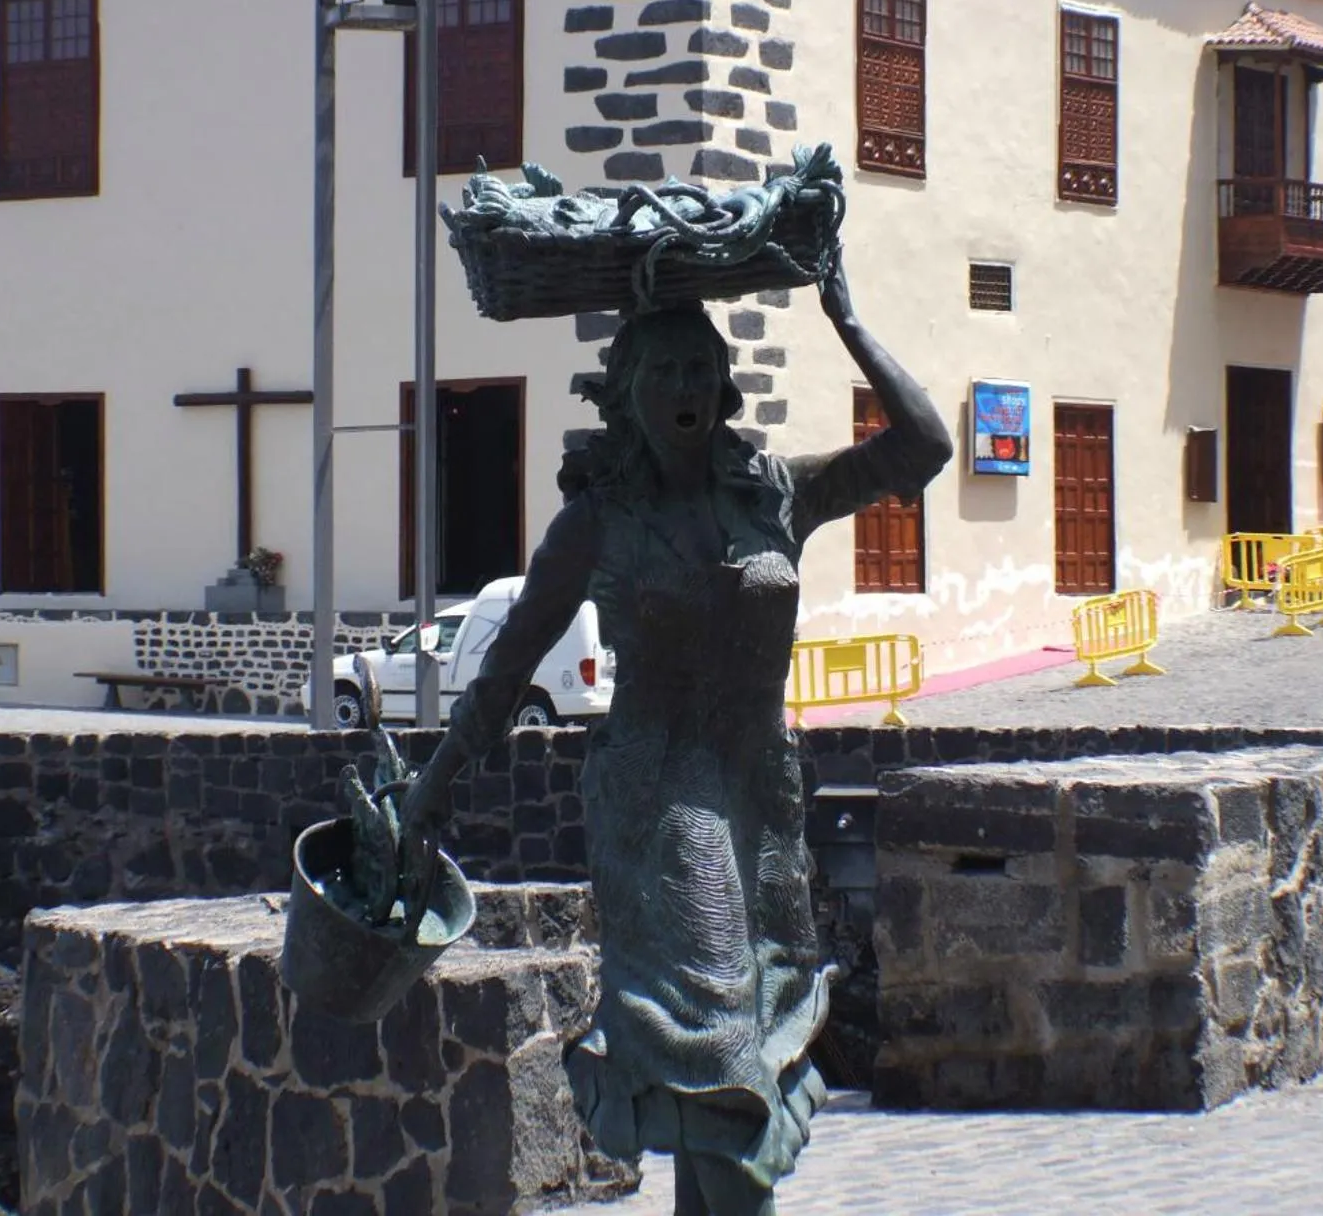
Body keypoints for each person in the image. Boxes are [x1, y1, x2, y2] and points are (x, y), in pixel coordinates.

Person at [397, 258, 951, 1216]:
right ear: (627, 399)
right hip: (661, 802)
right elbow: (506, 667)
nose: (689, 388)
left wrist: (847, 319)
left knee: (743, 1052)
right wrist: (430, 786)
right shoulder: (598, 525)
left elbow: (924, 446)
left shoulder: (775, 493)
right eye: (665, 373)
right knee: (721, 1042)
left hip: (761, 801)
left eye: (702, 368)